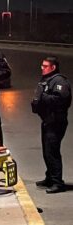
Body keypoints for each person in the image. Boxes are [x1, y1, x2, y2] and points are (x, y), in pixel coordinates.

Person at [31, 56, 71, 194]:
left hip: (56, 122)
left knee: (52, 152)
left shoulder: (60, 81)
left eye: (45, 66)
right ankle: (50, 178)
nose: (42, 68)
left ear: (53, 67)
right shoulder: (48, 80)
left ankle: (57, 182)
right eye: (42, 65)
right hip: (48, 121)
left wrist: (43, 97)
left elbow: (62, 99)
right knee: (47, 152)